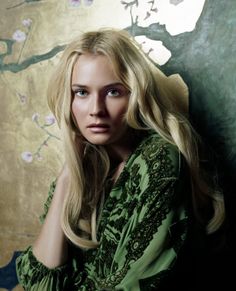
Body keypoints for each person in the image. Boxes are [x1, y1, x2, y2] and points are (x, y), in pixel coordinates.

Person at [16, 28, 225, 290]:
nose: (96, 110)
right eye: (81, 92)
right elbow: (38, 283)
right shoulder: (89, 167)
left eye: (113, 92)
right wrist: (68, 176)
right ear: (67, 100)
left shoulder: (159, 161)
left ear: (136, 95)